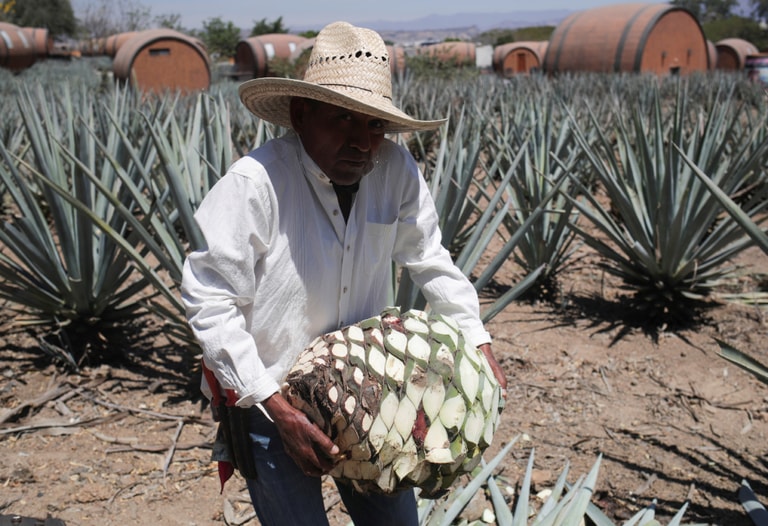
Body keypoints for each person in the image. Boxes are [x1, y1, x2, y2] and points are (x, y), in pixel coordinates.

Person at [181, 20, 507, 526]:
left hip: (371, 394)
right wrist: (275, 407)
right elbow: (210, 298)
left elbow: (430, 259)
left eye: (375, 125)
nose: (362, 142)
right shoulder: (256, 184)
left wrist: (476, 340)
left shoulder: (395, 171)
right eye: (343, 119)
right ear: (300, 114)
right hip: (270, 399)